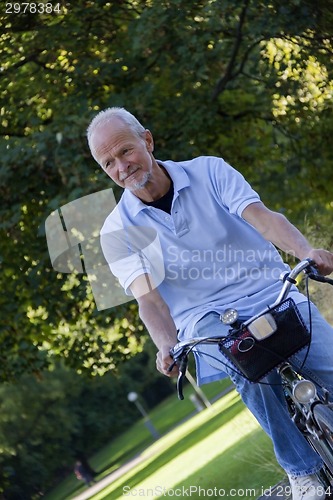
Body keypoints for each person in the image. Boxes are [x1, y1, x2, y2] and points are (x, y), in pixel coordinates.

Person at [87, 107, 333, 500]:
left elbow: (262, 218)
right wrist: (165, 344)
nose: (121, 166)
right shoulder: (117, 230)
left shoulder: (209, 171)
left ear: (147, 141)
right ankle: (302, 471)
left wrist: (306, 250)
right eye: (108, 162)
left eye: (126, 151)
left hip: (268, 288)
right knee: (248, 364)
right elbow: (148, 300)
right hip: (207, 319)